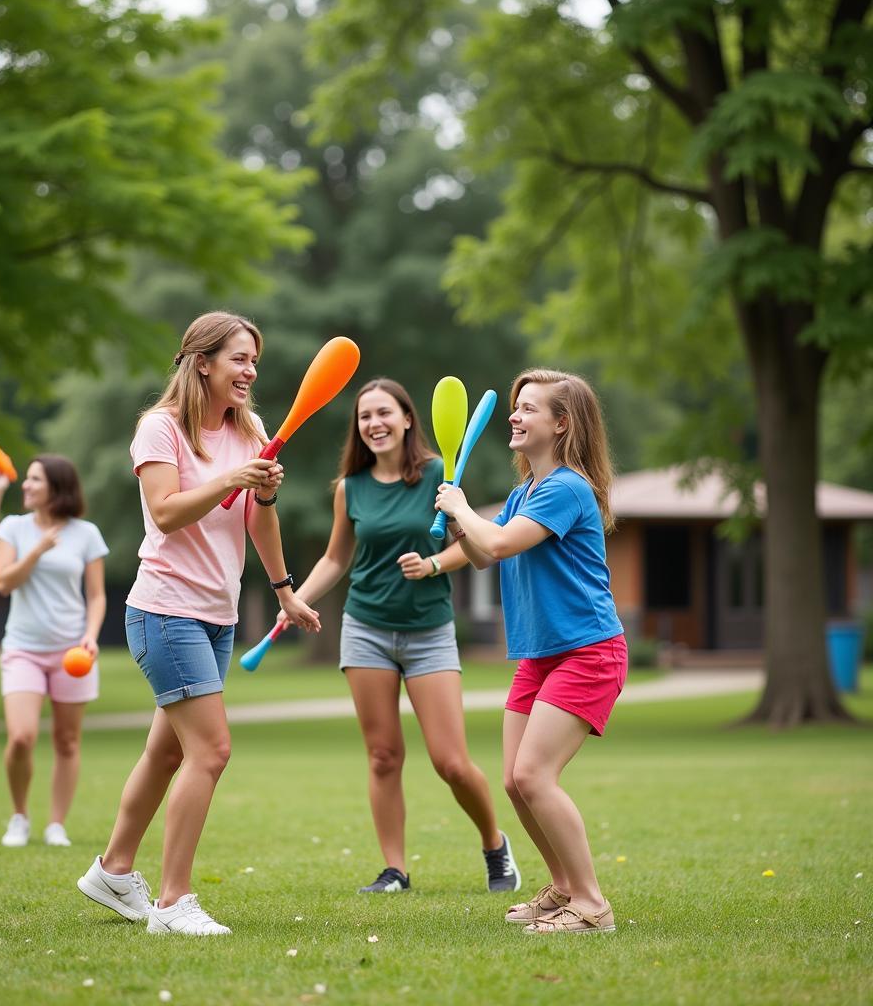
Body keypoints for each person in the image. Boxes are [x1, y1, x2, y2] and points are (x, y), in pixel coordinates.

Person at [77, 310, 320, 938]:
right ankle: (172, 903)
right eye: (240, 358)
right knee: (210, 751)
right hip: (164, 611)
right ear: (202, 361)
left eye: (255, 361)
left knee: (166, 753)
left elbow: (257, 518)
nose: (250, 371)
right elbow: (164, 513)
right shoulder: (160, 429)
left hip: (217, 616)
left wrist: (284, 588)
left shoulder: (250, 429)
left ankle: (113, 870)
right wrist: (233, 478)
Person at [279, 377, 520, 895]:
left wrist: (433, 563)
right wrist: (296, 598)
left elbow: (471, 543)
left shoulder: (439, 475)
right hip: (365, 628)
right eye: (365, 416)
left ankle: (495, 845)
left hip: (430, 631)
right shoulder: (351, 488)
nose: (374, 423)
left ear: (408, 419)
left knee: (451, 762)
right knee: (383, 756)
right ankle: (396, 870)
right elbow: (336, 558)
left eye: (384, 412)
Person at [435, 368, 627, 935]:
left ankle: (592, 906)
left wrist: (463, 506)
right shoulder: (525, 492)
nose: (514, 417)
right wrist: (455, 522)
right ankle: (563, 888)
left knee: (536, 774)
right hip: (540, 655)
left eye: (527, 408)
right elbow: (482, 556)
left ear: (561, 423)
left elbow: (496, 540)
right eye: (515, 408)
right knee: (516, 781)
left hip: (588, 650)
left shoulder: (568, 487)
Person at [0, 454, 108, 849]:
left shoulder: (86, 533)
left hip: (72, 651)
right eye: (27, 479)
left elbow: (97, 595)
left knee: (67, 742)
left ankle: (56, 824)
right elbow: (3, 582)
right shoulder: (14, 528)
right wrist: (36, 551)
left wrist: (90, 635)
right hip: (23, 648)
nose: (27, 485)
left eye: (35, 479)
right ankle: (19, 816)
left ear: (57, 486)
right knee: (21, 737)